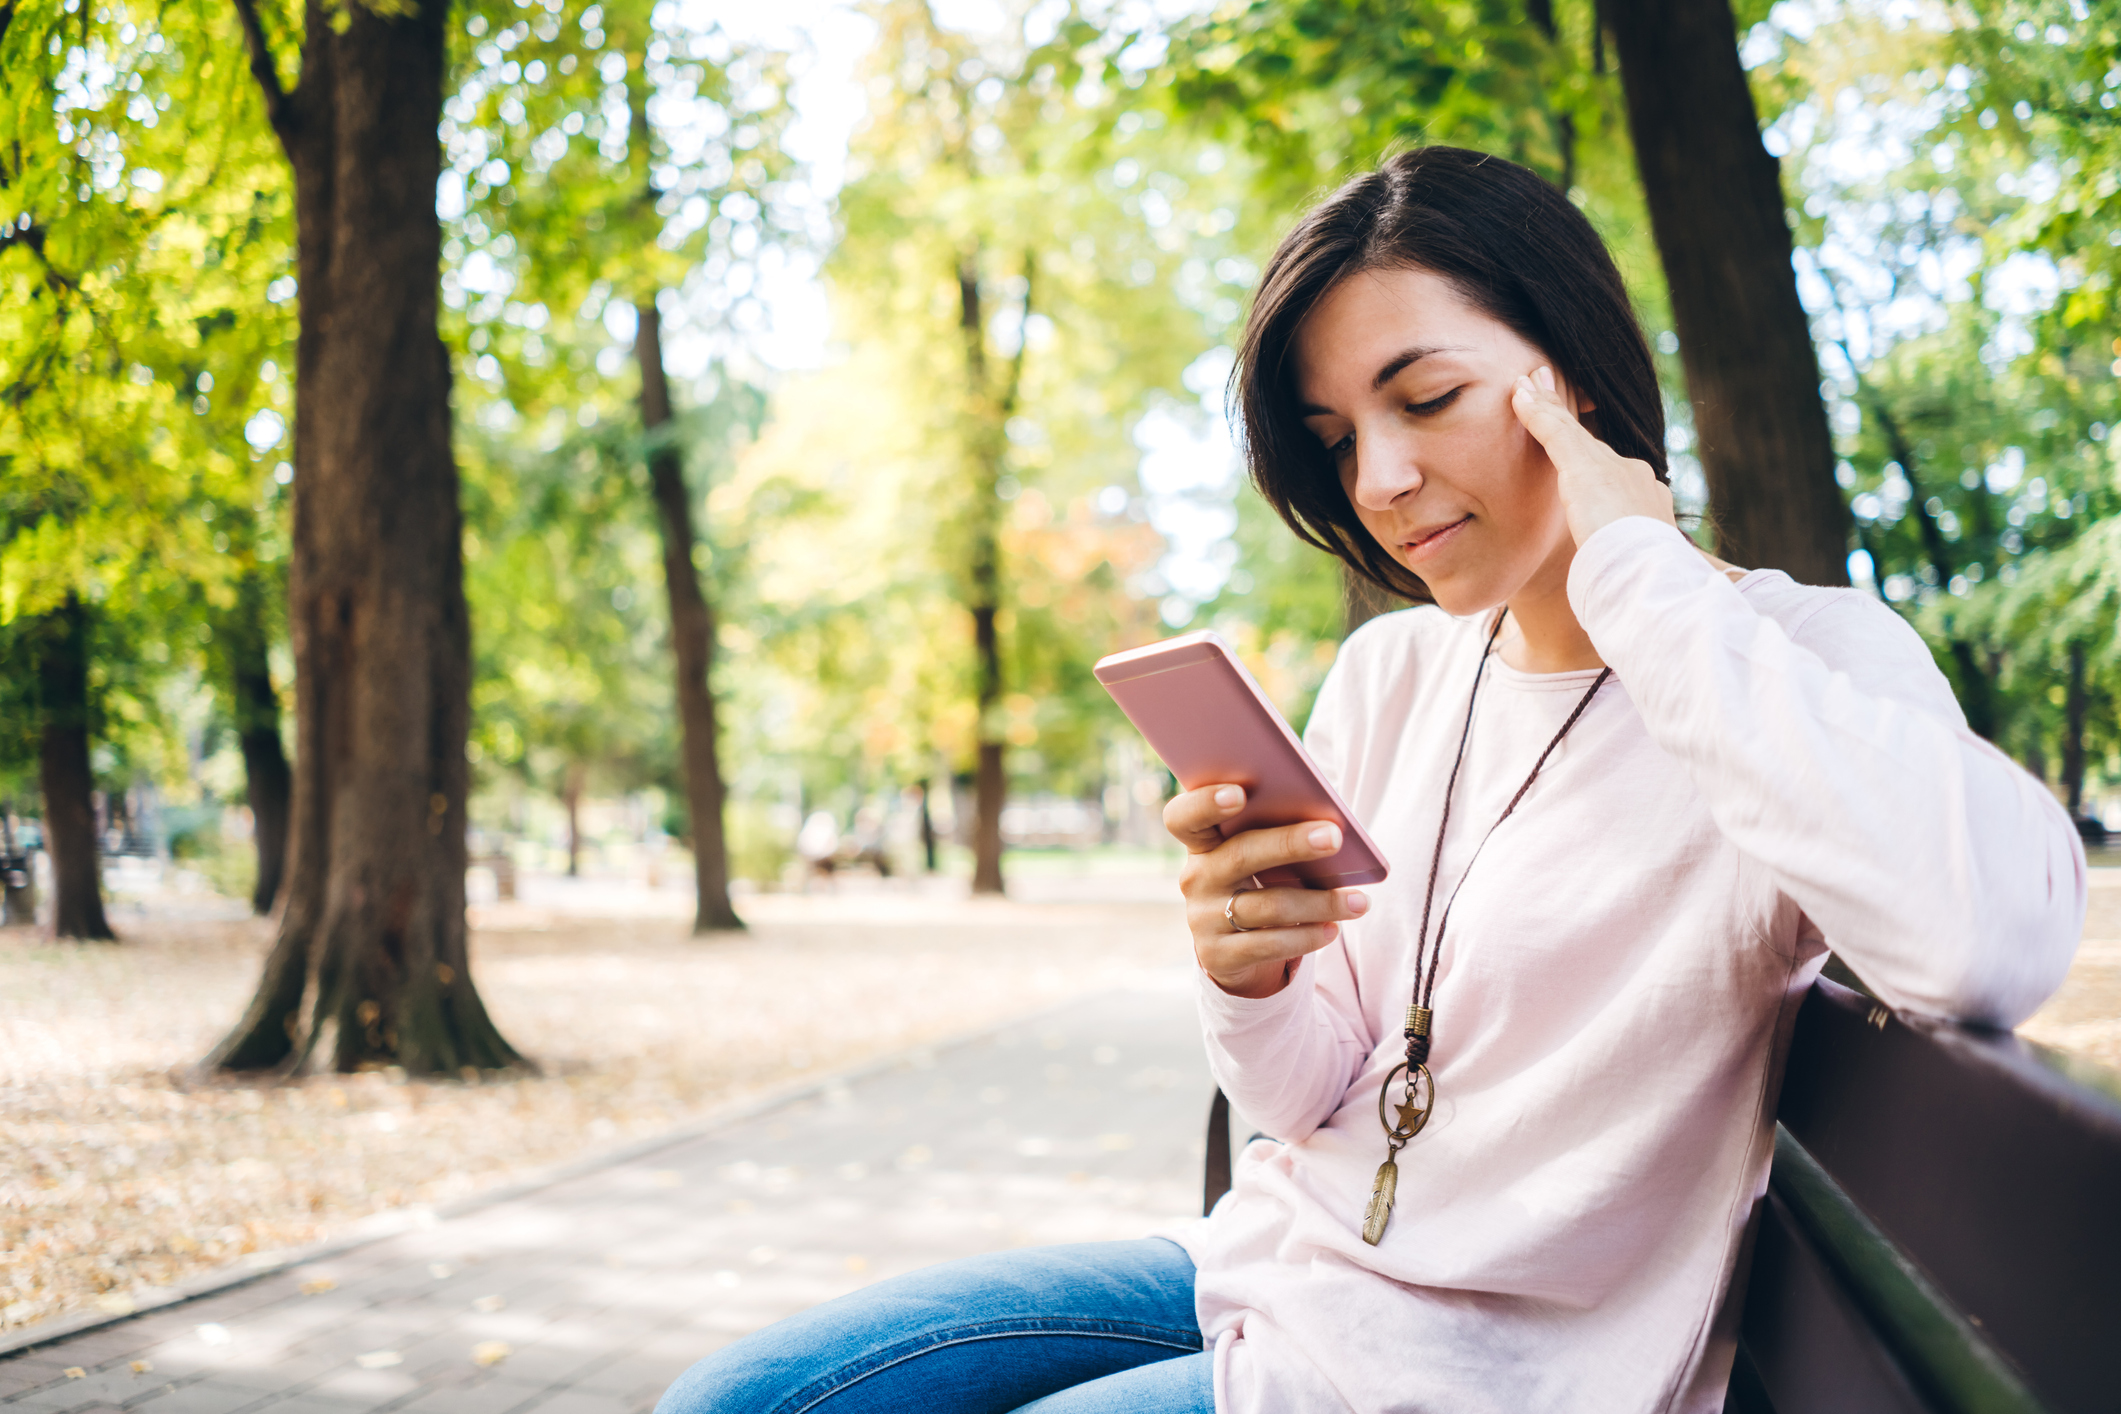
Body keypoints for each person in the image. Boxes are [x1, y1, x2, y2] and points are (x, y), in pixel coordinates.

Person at [655, 145, 2086, 1414]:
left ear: (1573, 378)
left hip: (1477, 1364)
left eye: (1427, 397)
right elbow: (1304, 1095)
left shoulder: (1789, 656)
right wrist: (1250, 971)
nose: (1380, 480)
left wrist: (1637, 574)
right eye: (1336, 438)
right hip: (1283, 1259)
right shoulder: (1399, 671)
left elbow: (1984, 941)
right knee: (735, 1394)